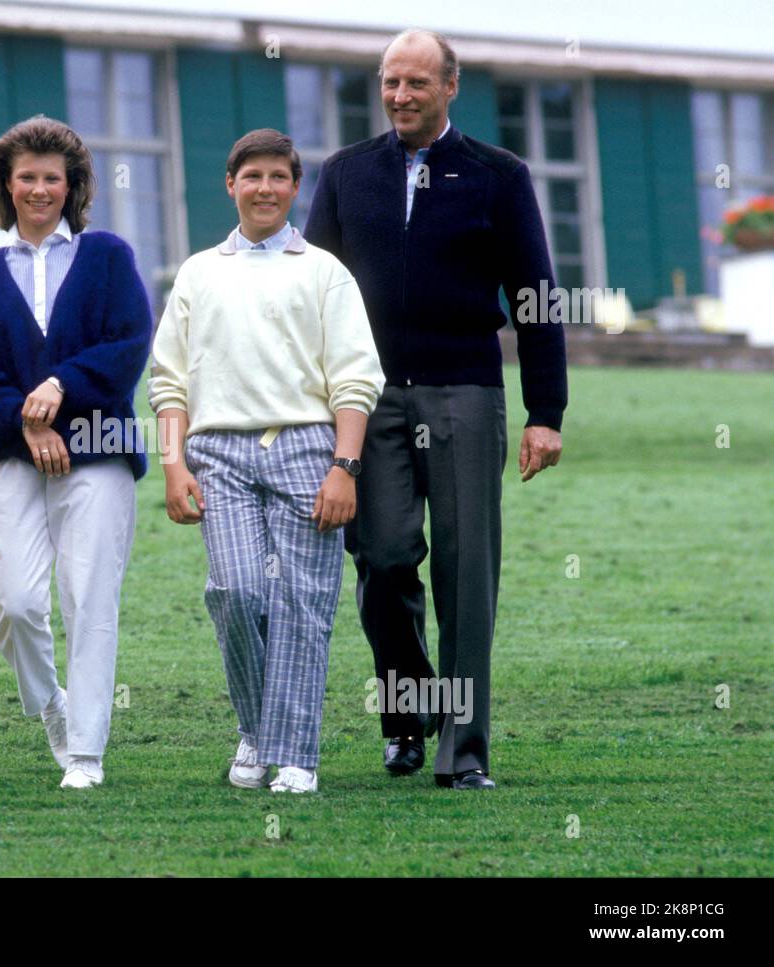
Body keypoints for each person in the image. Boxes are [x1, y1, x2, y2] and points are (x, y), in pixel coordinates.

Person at [303, 29, 568, 789]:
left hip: (465, 391)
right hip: (369, 396)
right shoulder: (347, 174)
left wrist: (544, 409)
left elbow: (536, 296)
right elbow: (314, 292)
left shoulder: (499, 175)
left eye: (417, 83)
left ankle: (464, 751)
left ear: (450, 87)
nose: (400, 96)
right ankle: (408, 711)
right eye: (390, 82)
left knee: (465, 573)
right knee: (382, 560)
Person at [150, 129, 385, 794]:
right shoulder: (199, 272)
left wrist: (346, 466)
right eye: (251, 176)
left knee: (302, 605)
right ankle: (258, 728)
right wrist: (174, 464)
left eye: (279, 177)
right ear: (230, 184)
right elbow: (167, 381)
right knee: (236, 590)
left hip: (308, 447)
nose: (265, 188)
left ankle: (296, 757)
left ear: (294, 186)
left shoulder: (323, 271)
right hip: (218, 454)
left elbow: (355, 379)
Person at [0, 116, 151, 790]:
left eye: (51, 178)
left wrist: (60, 387)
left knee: (89, 594)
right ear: (6, 185)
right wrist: (25, 421)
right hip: (13, 452)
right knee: (12, 597)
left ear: (72, 185)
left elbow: (127, 344)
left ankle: (85, 752)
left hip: (99, 448)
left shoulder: (109, 256)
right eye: (26, 177)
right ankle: (51, 704)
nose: (39, 189)